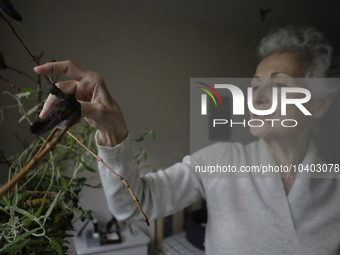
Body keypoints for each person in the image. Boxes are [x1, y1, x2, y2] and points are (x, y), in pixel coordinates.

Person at [34, 26, 340, 255]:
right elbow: (132, 207)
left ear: (320, 104)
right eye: (255, 85)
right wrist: (112, 130)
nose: (257, 96)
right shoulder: (221, 160)